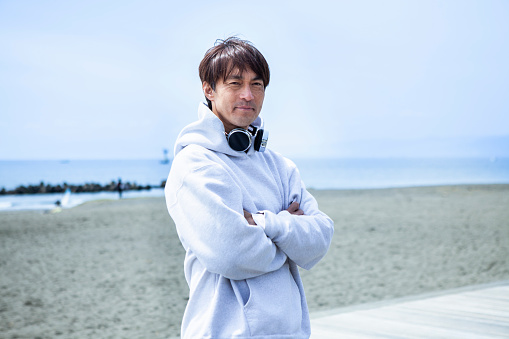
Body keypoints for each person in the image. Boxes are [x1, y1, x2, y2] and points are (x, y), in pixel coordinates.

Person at [165, 37, 334, 339]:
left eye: (257, 84)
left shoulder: (280, 166)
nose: (247, 94)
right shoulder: (195, 164)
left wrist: (263, 222)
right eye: (234, 82)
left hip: (291, 332)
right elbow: (233, 254)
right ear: (208, 89)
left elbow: (320, 239)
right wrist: (289, 235)